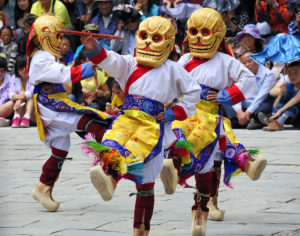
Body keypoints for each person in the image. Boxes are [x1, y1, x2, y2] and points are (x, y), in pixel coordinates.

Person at [82, 16, 201, 235]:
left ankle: (141, 230)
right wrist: (94, 48)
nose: (147, 43)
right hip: (126, 118)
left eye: (155, 38)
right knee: (113, 144)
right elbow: (111, 60)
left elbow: (194, 91)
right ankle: (110, 180)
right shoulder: (130, 62)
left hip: (152, 126)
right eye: (144, 36)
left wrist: (176, 111)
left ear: (166, 42)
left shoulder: (173, 68)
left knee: (145, 182)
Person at [159, 8, 267, 236]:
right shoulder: (186, 59)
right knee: (178, 136)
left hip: (209, 117)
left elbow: (249, 79)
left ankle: (202, 209)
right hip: (185, 112)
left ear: (218, 35)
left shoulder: (225, 61)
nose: (198, 38)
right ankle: (174, 169)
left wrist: (226, 95)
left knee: (210, 164)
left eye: (205, 32)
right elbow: (169, 82)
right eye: (194, 32)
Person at [27, 14, 112, 212]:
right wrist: (90, 66)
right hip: (51, 107)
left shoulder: (46, 56)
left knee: (61, 148)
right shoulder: (40, 58)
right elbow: (66, 75)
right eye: (56, 37)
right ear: (45, 38)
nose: (60, 42)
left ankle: (42, 188)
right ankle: (111, 163)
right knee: (89, 118)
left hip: (54, 103)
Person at [223, 52, 276, 129]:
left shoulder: (268, 74)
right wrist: (239, 112)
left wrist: (248, 112)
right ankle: (247, 120)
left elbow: (261, 96)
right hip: (243, 106)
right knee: (225, 101)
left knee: (266, 104)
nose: (247, 65)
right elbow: (236, 93)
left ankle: (249, 120)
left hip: (258, 105)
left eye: (249, 61)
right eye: (244, 63)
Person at [263, 61, 300, 130]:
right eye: (289, 72)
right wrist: (281, 93)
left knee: (295, 104)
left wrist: (280, 111)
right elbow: (275, 105)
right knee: (284, 96)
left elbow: (296, 98)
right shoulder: (288, 86)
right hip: (291, 117)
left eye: (295, 72)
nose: (292, 75)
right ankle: (275, 120)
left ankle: (279, 122)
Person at [9, 56, 34, 128]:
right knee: (20, 95)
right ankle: (18, 118)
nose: (23, 70)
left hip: (33, 108)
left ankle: (23, 118)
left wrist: (20, 97)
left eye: (26, 67)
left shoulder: (33, 77)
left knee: (29, 96)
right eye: (20, 68)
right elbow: (11, 93)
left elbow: (33, 90)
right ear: (17, 69)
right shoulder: (14, 78)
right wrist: (20, 97)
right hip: (20, 105)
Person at [0, 56, 13, 127]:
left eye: (2, 71)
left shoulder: (10, 81)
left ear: (6, 70)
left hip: (5, 110)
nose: (0, 73)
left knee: (11, 103)